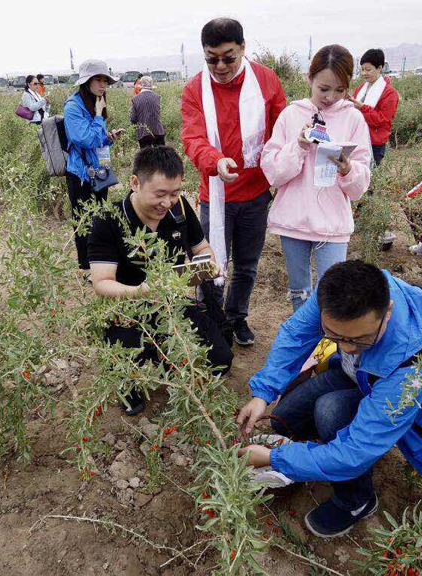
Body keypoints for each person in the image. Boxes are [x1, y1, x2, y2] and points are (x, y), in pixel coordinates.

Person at [236, 260, 422, 538]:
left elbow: (354, 453)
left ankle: (357, 501)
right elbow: (295, 334)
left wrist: (275, 458)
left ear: (387, 311)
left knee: (329, 413)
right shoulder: (337, 292)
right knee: (285, 420)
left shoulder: (410, 368)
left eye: (360, 340)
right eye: (334, 336)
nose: (347, 348)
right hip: (356, 376)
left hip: (394, 392)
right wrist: (262, 393)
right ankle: (320, 451)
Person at [88, 146, 233, 415]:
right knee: (130, 383)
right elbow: (102, 282)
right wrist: (142, 291)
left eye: (175, 193)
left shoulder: (178, 208)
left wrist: (208, 263)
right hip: (127, 309)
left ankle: (166, 353)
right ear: (135, 183)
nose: (167, 202)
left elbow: (201, 247)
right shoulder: (109, 219)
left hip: (172, 304)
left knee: (221, 361)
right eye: (160, 194)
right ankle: (135, 368)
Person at [180, 18, 287, 346]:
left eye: (229, 56)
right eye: (212, 58)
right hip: (214, 195)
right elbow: (192, 137)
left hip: (255, 194)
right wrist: (216, 161)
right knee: (207, 265)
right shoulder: (195, 88)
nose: (221, 65)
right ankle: (208, 323)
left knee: (246, 266)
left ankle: (236, 318)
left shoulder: (266, 80)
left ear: (243, 47)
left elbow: (281, 127)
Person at [261, 44, 371, 312]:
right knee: (299, 292)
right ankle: (309, 346)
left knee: (334, 295)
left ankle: (330, 345)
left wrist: (347, 169)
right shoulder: (291, 114)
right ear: (309, 79)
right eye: (324, 89)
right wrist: (297, 146)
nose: (331, 97)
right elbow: (272, 171)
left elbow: (361, 183)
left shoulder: (354, 118)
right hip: (293, 221)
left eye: (340, 90)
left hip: (332, 225)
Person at [63, 60, 124, 275]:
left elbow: (96, 140)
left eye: (105, 80)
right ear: (86, 81)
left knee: (98, 218)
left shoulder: (94, 103)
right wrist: (98, 116)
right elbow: (86, 140)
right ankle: (85, 267)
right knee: (82, 219)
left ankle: (98, 261)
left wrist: (108, 138)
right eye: (98, 79)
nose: (103, 84)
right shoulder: (73, 106)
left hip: (98, 171)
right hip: (80, 174)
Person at [347, 48, 400, 167]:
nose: (364, 73)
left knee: (371, 174)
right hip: (357, 138)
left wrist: (362, 107)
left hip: (375, 143)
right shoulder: (361, 88)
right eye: (362, 70)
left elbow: (381, 120)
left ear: (379, 68)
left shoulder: (390, 94)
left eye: (368, 70)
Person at [130, 76, 166, 148]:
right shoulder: (157, 97)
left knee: (146, 158)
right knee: (161, 157)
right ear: (151, 86)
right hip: (158, 131)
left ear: (141, 86)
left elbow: (133, 119)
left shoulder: (135, 99)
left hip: (143, 133)